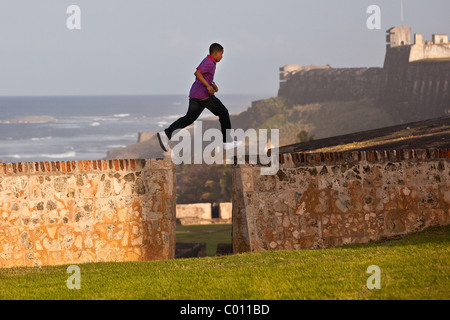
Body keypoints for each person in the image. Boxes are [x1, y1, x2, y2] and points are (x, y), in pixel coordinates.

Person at [157, 43, 242, 152]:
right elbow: (197, 73)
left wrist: (212, 86)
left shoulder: (209, 61)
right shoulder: (210, 62)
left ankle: (165, 134)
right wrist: (207, 86)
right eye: (221, 54)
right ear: (215, 53)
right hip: (203, 95)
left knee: (189, 118)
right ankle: (227, 142)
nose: (222, 57)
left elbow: (203, 76)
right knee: (223, 112)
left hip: (195, 95)